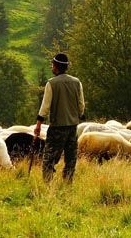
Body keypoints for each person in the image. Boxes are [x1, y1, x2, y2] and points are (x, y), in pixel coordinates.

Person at [34, 52, 85, 183]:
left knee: (49, 159)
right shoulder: (76, 82)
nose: (52, 67)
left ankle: (48, 186)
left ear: (56, 66)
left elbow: (45, 107)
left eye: (52, 65)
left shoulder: (51, 83)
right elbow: (81, 104)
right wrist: (78, 115)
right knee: (70, 159)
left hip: (57, 128)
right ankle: (67, 184)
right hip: (73, 127)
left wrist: (38, 124)